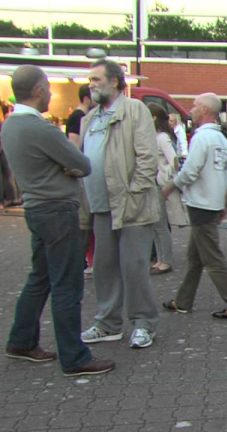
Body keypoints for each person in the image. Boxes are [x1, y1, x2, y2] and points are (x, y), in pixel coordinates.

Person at [2, 65, 114, 376]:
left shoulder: (10, 125)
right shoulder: (41, 129)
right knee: (67, 283)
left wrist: (65, 166)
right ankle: (75, 357)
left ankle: (21, 340)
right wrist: (68, 168)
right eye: (48, 88)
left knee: (39, 277)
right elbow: (81, 163)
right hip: (58, 210)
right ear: (38, 90)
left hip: (36, 209)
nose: (51, 93)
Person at [79, 59, 161, 349]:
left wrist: (136, 192)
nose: (91, 84)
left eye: (97, 79)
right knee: (104, 267)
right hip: (101, 206)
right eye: (90, 80)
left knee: (134, 266)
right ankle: (108, 323)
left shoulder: (134, 110)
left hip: (132, 206)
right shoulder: (89, 118)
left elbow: (147, 157)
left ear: (114, 81)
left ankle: (143, 323)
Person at [161, 92, 227, 320]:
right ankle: (183, 300)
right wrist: (222, 202)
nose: (191, 109)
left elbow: (190, 171)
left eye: (195, 105)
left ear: (205, 110)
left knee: (212, 258)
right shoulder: (221, 140)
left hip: (200, 203)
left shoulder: (201, 138)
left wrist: (171, 186)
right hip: (212, 203)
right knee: (195, 256)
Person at [64, 84, 96, 280]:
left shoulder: (85, 116)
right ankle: (82, 261)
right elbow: (74, 147)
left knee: (89, 222)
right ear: (86, 98)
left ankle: (89, 260)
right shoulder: (77, 117)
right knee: (85, 222)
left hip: (87, 174)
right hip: (84, 176)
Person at [147, 103, 181, 275]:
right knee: (155, 224)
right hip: (152, 183)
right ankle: (160, 258)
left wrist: (164, 173)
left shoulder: (162, 138)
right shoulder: (153, 136)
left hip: (158, 183)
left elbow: (173, 160)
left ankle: (165, 260)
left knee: (160, 224)